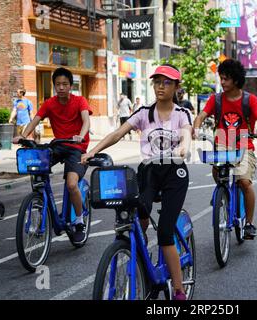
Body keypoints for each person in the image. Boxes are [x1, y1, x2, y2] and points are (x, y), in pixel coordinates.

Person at [82, 64, 192, 300]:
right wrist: (93, 151)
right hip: (149, 172)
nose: (160, 86)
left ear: (176, 87)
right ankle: (143, 264)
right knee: (136, 218)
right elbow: (117, 134)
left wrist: (183, 148)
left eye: (166, 82)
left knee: (164, 233)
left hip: (175, 173)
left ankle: (180, 290)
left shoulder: (182, 114)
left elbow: (186, 135)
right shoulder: (143, 113)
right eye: (157, 81)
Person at [13, 67, 92, 243]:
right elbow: (35, 120)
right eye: (58, 84)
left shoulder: (80, 101)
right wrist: (23, 136)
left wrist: (81, 134)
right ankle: (40, 202)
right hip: (57, 145)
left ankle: (79, 222)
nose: (61, 87)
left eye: (65, 84)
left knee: (72, 185)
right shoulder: (50, 103)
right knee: (38, 168)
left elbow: (86, 120)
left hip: (76, 147)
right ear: (54, 86)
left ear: (71, 85)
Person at [193, 59, 257, 239]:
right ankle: (222, 192)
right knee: (216, 168)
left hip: (244, 145)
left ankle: (249, 223)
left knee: (244, 182)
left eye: (226, 79)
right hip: (222, 143)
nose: (222, 82)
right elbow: (201, 116)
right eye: (221, 78)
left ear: (235, 79)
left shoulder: (250, 100)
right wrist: (195, 129)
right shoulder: (216, 99)